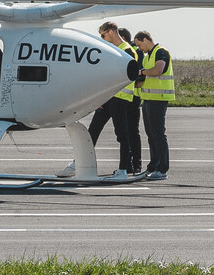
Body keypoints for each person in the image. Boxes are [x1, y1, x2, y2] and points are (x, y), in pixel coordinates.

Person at [61, 22, 141, 179]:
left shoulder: (128, 51)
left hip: (120, 98)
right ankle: (76, 164)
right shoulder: (113, 50)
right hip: (108, 99)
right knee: (92, 132)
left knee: (122, 135)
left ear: (111, 32)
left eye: (103, 35)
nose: (102, 38)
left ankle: (123, 169)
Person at [133, 30, 173, 179]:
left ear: (145, 40)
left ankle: (162, 169)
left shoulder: (161, 52)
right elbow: (146, 77)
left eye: (139, 45)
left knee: (158, 134)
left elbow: (158, 70)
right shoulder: (147, 56)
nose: (139, 49)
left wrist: (142, 72)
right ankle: (153, 166)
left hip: (158, 98)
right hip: (148, 99)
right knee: (151, 135)